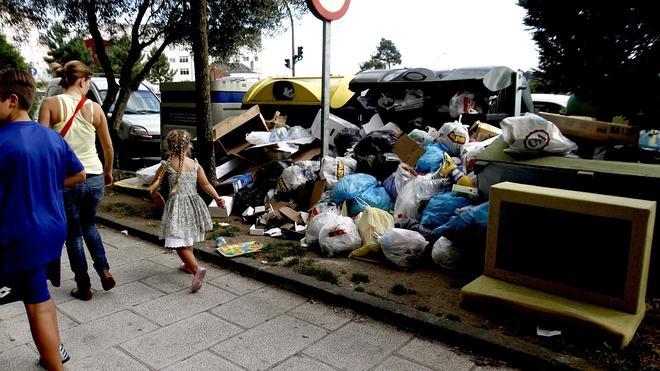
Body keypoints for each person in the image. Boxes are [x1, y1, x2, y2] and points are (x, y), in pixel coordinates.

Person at [0, 69, 86, 370]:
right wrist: (48, 183)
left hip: (20, 233)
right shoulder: (51, 137)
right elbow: (79, 174)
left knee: (37, 304)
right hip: (49, 229)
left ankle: (54, 361)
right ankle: (54, 350)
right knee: (38, 295)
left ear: (12, 100)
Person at [38, 61, 116, 301]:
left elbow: (42, 146)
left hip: (67, 179)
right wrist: (108, 172)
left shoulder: (50, 104)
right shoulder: (95, 109)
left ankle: (84, 286)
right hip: (94, 177)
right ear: (82, 81)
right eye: (88, 83)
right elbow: (108, 146)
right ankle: (104, 270)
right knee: (90, 225)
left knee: (73, 234)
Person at [148, 130, 225, 292]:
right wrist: (217, 198)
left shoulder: (165, 165)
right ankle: (188, 265)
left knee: (177, 242)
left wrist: (155, 193)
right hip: (193, 204)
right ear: (188, 145)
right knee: (187, 236)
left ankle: (197, 269)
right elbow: (206, 185)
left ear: (168, 146)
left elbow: (155, 185)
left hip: (177, 206)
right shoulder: (195, 164)